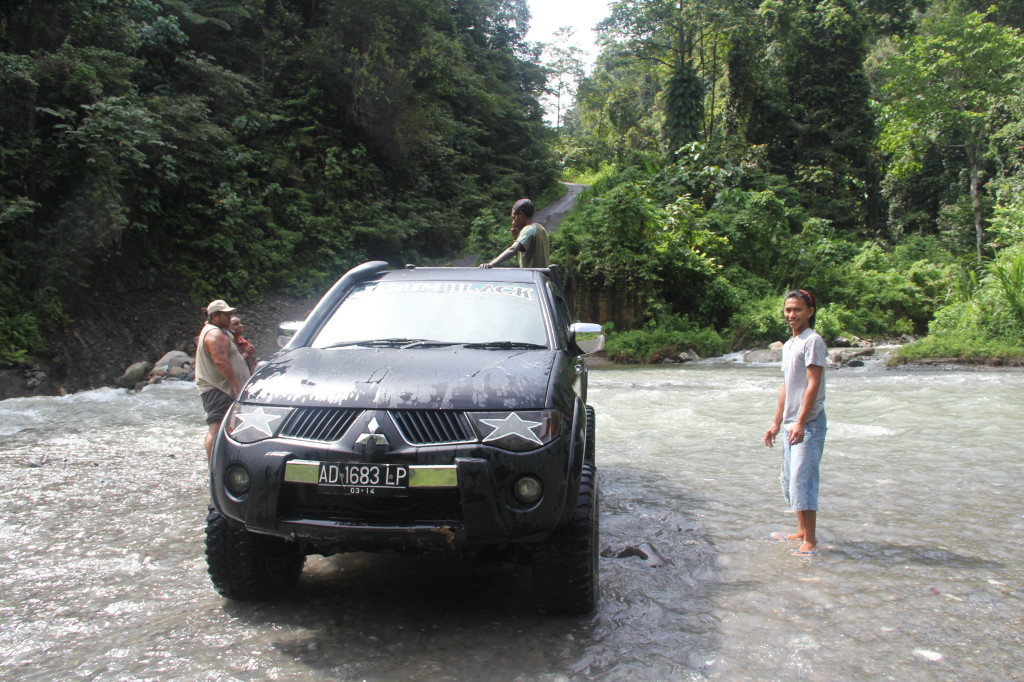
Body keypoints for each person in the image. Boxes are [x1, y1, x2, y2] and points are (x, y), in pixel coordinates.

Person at [763, 289, 827, 556]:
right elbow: (787, 387)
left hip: (808, 422)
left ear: (810, 311)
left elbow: (814, 384)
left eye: (797, 310)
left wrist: (801, 421)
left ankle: (810, 541)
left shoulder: (813, 341)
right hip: (791, 421)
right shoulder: (789, 344)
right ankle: (800, 530)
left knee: (803, 480)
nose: (791, 315)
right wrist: (776, 423)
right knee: (790, 479)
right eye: (788, 310)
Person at [196, 300, 251, 461]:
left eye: (230, 314)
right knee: (217, 426)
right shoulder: (214, 334)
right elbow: (220, 361)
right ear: (214, 316)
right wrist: (235, 384)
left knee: (228, 426)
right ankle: (214, 467)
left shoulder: (219, 331)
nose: (229, 318)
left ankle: (225, 463)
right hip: (218, 388)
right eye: (225, 315)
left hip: (222, 387)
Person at [479, 198, 549, 269]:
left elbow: (512, 250)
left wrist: (490, 264)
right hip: (543, 277)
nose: (513, 222)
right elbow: (529, 251)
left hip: (532, 277)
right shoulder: (540, 228)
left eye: (513, 218)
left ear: (521, 215)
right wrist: (517, 238)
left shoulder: (528, 229)